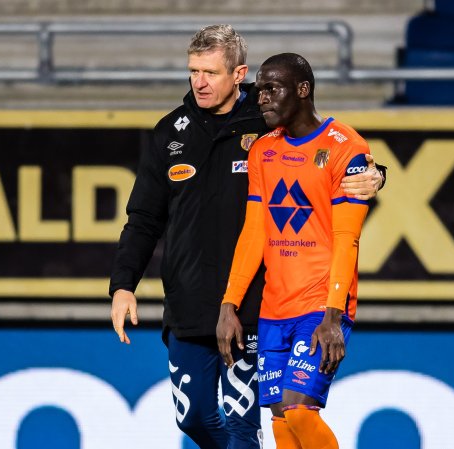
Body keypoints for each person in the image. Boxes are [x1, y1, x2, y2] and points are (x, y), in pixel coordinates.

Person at [110, 26, 384, 449]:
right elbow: (143, 218)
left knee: (252, 421)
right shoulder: (170, 134)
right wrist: (123, 283)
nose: (199, 82)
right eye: (193, 71)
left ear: (238, 74)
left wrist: (376, 174)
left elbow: (334, 158)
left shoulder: (270, 115)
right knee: (193, 418)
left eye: (210, 72)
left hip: (256, 304)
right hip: (189, 303)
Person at [217, 52, 372, 449]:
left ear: (303, 90)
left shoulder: (346, 147)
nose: (262, 98)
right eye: (259, 90)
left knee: (300, 410)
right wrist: (229, 303)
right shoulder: (262, 150)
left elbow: (347, 238)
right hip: (274, 307)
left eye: (272, 89)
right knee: (282, 421)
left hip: (320, 305)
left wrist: (333, 315)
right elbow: (254, 232)